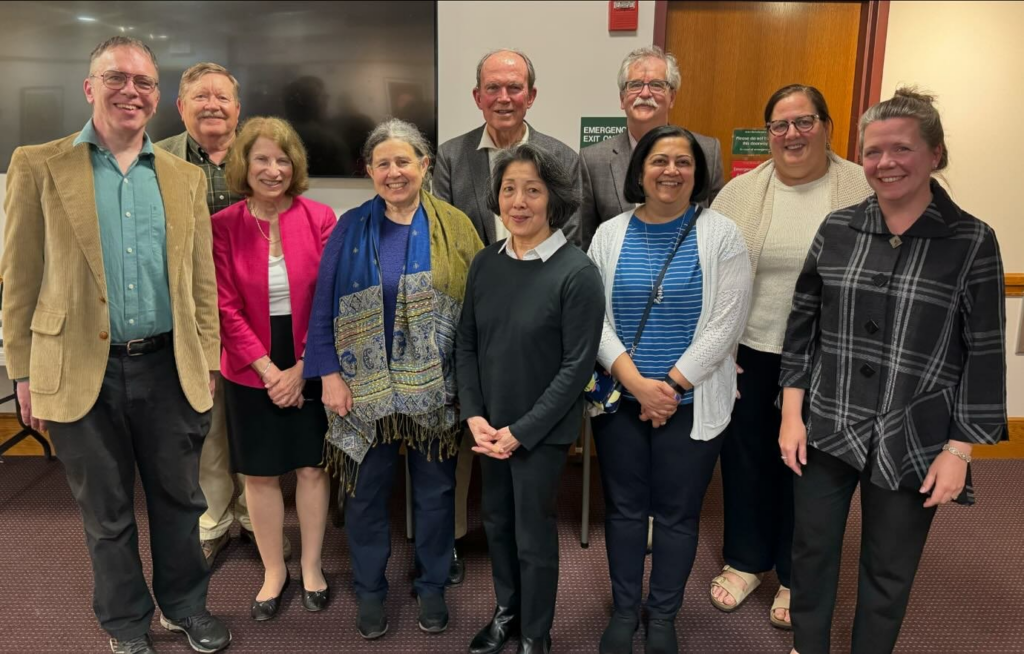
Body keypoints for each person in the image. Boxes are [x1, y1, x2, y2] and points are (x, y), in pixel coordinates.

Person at [0, 36, 231, 654]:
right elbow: (17, 280)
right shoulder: (38, 164)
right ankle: (126, 625)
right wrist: (22, 373)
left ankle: (185, 606)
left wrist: (207, 358)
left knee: (181, 503)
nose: (131, 91)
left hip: (168, 367)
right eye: (116, 78)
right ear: (89, 87)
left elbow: (200, 282)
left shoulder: (183, 177)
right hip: (79, 371)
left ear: (158, 97)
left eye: (144, 83)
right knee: (106, 514)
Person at [779, 88, 1007, 654]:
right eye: (873, 151)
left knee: (888, 571)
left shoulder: (972, 241)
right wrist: (790, 414)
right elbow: (802, 326)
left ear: (935, 153)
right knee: (811, 556)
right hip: (828, 424)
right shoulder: (838, 228)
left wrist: (959, 451)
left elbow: (984, 351)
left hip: (915, 436)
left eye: (901, 148)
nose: (885, 163)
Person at [304, 118, 483, 639]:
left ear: (425, 166)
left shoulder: (456, 226)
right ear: (369, 171)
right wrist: (329, 376)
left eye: (404, 161)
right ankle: (371, 591)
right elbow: (323, 307)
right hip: (363, 390)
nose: (393, 171)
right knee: (365, 493)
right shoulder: (350, 226)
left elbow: (475, 312)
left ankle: (431, 587)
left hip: (434, 389)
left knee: (435, 493)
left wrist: (467, 384)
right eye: (382, 163)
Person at [706, 85, 872, 629]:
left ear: (825, 125)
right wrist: (720, 345)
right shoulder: (738, 194)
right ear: (767, 133)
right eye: (780, 125)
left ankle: (797, 574)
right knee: (748, 456)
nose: (792, 134)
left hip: (830, 360)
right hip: (751, 350)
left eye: (804, 122)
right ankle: (747, 560)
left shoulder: (860, 187)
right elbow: (713, 275)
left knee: (812, 467)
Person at [588, 125, 751, 654]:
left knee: (679, 515)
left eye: (684, 162)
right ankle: (624, 611)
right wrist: (637, 382)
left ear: (697, 174)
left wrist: (672, 387)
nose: (671, 171)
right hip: (622, 400)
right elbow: (594, 319)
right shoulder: (608, 234)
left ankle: (663, 616)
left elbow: (727, 322)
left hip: (694, 401)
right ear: (640, 170)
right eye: (660, 160)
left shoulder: (722, 233)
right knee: (625, 510)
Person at [434, 47, 581, 585]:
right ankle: (452, 539)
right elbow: (444, 236)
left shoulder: (560, 156)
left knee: (524, 476)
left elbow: (573, 237)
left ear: (531, 96)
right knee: (469, 443)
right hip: (478, 309)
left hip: (538, 321)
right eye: (492, 88)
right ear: (477, 97)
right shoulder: (450, 157)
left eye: (514, 87)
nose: (503, 97)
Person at [457, 142, 605, 654]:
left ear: (555, 199)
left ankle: (535, 634)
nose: (518, 201)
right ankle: (507, 612)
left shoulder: (576, 272)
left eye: (533, 190)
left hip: (539, 433)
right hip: (489, 427)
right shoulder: (485, 263)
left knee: (533, 533)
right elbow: (468, 343)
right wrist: (474, 415)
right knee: (496, 521)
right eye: (509, 189)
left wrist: (521, 431)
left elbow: (576, 368)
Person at [156, 61, 294, 567]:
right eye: (199, 97)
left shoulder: (261, 156)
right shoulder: (156, 158)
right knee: (205, 414)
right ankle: (216, 515)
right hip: (188, 309)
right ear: (180, 107)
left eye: (222, 97)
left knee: (251, 411)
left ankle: (255, 511)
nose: (211, 105)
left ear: (238, 108)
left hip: (252, 310)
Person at [211, 116, 336, 620]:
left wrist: (302, 367)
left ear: (295, 166)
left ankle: (311, 566)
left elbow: (329, 299)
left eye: (283, 159)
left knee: (311, 466)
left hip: (310, 355)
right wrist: (268, 371)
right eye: (262, 158)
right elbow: (223, 307)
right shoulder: (223, 225)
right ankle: (273, 571)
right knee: (259, 474)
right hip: (248, 364)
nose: (273, 168)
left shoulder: (321, 218)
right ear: (244, 164)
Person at [576, 46, 725, 250]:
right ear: (622, 98)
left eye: (656, 85)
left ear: (672, 97)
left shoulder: (707, 152)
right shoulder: (593, 160)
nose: (645, 93)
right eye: (635, 85)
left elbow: (717, 232)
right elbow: (586, 242)